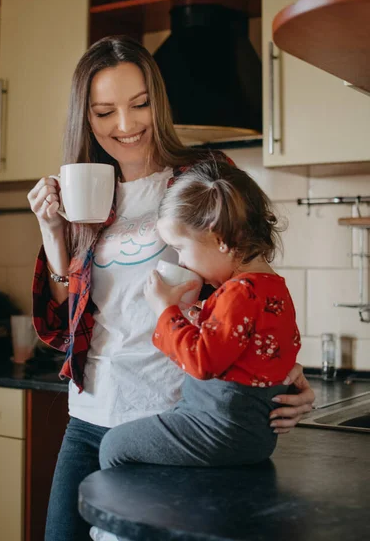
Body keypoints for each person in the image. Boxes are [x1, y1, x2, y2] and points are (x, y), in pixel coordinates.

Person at [27, 35, 315, 541]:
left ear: (158, 101)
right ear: (85, 119)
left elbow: (256, 286)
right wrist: (54, 232)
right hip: (90, 418)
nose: (125, 125)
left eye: (139, 104)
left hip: (173, 424)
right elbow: (59, 326)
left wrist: (282, 372)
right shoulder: (83, 192)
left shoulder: (203, 177)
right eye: (103, 112)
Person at [98, 159, 301, 473]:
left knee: (115, 445)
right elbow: (239, 349)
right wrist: (195, 316)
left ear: (219, 238)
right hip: (252, 436)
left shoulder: (239, 293)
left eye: (180, 248)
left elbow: (202, 362)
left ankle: (134, 521)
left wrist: (164, 310)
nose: (181, 261)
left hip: (218, 428)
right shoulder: (272, 288)